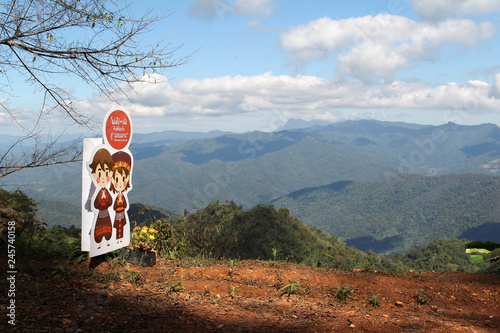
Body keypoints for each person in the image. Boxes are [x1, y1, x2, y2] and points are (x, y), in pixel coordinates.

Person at [89, 148, 114, 249]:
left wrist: (105, 198)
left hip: (106, 213)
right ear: (94, 174)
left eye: (106, 173)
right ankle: (98, 244)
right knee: (99, 228)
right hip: (100, 214)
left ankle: (108, 241)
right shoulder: (98, 192)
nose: (103, 177)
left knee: (107, 227)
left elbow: (111, 202)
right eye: (99, 173)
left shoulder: (106, 192)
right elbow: (95, 204)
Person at [110, 151, 132, 243]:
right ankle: (115, 240)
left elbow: (125, 205)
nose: (119, 183)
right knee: (116, 227)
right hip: (117, 214)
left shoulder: (122, 196)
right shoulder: (115, 196)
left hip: (121, 214)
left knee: (121, 227)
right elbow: (113, 206)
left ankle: (120, 240)